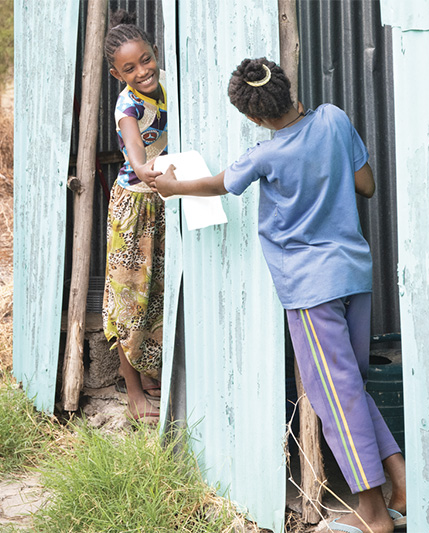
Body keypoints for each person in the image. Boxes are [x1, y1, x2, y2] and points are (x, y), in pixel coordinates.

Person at [155, 58, 407, 533]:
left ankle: (374, 515)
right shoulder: (332, 118)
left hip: (311, 285)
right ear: (290, 88)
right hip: (353, 272)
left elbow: (219, 184)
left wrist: (171, 188)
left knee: (334, 395)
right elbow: (366, 185)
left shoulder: (264, 155)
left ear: (252, 118)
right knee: (348, 384)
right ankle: (402, 481)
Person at [102, 9, 166, 425]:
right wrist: (147, 170)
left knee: (156, 295)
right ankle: (133, 389)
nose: (142, 71)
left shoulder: (166, 88)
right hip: (135, 205)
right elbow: (138, 158)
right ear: (117, 74)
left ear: (154, 53)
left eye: (145, 60)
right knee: (128, 302)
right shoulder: (128, 106)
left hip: (162, 199)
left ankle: (153, 372)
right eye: (130, 68)